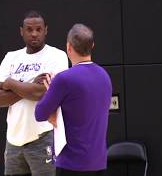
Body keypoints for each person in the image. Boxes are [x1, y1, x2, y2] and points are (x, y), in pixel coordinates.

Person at [0, 10, 68, 176]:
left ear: (45, 30)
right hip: (13, 141)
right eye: (29, 29)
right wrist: (30, 85)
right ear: (21, 31)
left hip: (43, 137)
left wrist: (11, 83)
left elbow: (42, 93)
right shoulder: (11, 57)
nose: (34, 34)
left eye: (38, 29)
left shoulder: (57, 56)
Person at [35, 24, 112, 176]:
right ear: (92, 46)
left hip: (72, 163)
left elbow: (40, 113)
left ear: (68, 47)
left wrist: (51, 93)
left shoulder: (64, 79)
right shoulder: (105, 76)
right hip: (99, 162)